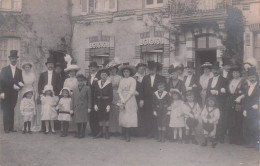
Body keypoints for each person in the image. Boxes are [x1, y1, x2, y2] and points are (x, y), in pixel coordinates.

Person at [140, 61, 166, 138]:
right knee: (148, 116)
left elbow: (165, 89)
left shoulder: (161, 78)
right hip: (147, 100)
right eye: (149, 69)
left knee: (157, 116)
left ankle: (157, 133)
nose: (151, 71)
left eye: (153, 69)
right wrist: (141, 99)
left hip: (158, 100)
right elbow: (141, 89)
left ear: (155, 69)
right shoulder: (145, 78)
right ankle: (150, 133)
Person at [0, 50, 24, 133]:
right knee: (6, 110)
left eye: (15, 58)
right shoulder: (4, 69)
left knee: (12, 110)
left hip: (14, 94)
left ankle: (11, 127)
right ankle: (6, 128)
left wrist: (20, 86)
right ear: (10, 59)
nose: (14, 60)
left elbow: (21, 81)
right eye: (12, 58)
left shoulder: (19, 71)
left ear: (17, 60)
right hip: (6, 93)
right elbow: (2, 81)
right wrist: (1, 92)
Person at [205, 61, 227, 143]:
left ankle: (220, 137)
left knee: (220, 119)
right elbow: (207, 92)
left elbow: (226, 92)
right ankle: (212, 136)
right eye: (214, 70)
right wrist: (206, 104)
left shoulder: (223, 80)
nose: (215, 71)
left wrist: (218, 92)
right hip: (211, 103)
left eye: (216, 70)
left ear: (219, 70)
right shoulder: (210, 80)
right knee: (211, 119)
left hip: (220, 103)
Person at [227, 65, 248, 145]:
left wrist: (240, 97)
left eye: (237, 72)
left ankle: (239, 139)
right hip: (231, 101)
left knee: (238, 119)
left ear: (239, 73)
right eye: (234, 73)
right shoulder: (231, 81)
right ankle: (232, 138)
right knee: (231, 119)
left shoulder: (243, 81)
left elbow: (246, 92)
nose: (235, 74)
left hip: (239, 101)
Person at [14, 62, 38, 131]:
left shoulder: (33, 75)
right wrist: (19, 89)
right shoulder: (21, 74)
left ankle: (31, 126)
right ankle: (23, 125)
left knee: (31, 107)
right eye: (26, 67)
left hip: (31, 92)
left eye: (28, 67)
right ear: (23, 68)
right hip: (23, 92)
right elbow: (18, 82)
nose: (27, 68)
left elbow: (34, 85)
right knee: (24, 107)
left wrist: (36, 93)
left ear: (30, 68)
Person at [118, 64, 138, 142]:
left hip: (130, 100)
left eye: (127, 71)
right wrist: (122, 99)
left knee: (129, 117)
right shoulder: (121, 80)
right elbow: (119, 90)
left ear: (130, 73)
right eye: (124, 71)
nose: (125, 73)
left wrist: (125, 100)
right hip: (122, 98)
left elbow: (132, 91)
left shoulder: (132, 80)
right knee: (123, 116)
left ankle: (128, 135)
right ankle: (123, 134)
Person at [38, 57, 57, 132]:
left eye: (51, 64)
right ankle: (44, 128)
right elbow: (39, 85)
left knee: (52, 111)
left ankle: (53, 128)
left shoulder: (56, 75)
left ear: (53, 65)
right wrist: (40, 94)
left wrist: (57, 95)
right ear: (47, 65)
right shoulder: (43, 74)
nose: (50, 66)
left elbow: (59, 85)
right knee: (44, 111)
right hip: (45, 95)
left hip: (52, 95)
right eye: (49, 64)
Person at [243, 67, 259, 149]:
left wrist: (258, 104)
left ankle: (257, 143)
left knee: (256, 127)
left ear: (256, 77)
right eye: (250, 77)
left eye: (253, 77)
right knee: (249, 126)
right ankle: (251, 142)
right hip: (249, 110)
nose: (252, 79)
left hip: (257, 110)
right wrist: (245, 109)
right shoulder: (248, 87)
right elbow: (246, 99)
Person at [93, 68, 113, 139]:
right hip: (99, 102)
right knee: (100, 117)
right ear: (100, 76)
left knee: (106, 117)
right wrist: (95, 104)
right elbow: (95, 94)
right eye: (102, 75)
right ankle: (101, 132)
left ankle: (106, 132)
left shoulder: (109, 84)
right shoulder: (97, 83)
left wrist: (109, 105)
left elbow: (111, 95)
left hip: (106, 102)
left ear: (107, 76)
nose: (103, 76)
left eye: (105, 75)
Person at [72, 74, 91, 138]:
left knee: (84, 120)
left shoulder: (87, 88)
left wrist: (89, 107)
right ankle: (79, 132)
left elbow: (89, 99)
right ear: (77, 81)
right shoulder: (74, 89)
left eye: (81, 80)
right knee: (78, 120)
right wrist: (71, 108)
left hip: (84, 106)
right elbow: (73, 99)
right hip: (77, 107)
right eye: (79, 81)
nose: (80, 82)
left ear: (84, 81)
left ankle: (83, 133)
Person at [106, 61, 122, 136]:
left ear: (116, 69)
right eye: (110, 69)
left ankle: (117, 130)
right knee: (110, 112)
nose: (112, 71)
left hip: (117, 94)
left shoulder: (119, 78)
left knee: (117, 112)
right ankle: (111, 130)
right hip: (109, 95)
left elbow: (121, 88)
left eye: (113, 69)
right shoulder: (107, 78)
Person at [133, 63, 147, 136]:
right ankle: (136, 132)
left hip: (144, 98)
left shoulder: (146, 77)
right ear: (137, 69)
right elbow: (132, 88)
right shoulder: (134, 77)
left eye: (143, 69)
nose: (141, 70)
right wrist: (136, 92)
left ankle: (143, 132)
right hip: (136, 98)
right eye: (140, 69)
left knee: (143, 114)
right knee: (136, 113)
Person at [87, 61, 101, 137]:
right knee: (91, 115)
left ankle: (98, 132)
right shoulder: (89, 76)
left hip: (97, 98)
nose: (92, 69)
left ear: (97, 68)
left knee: (97, 114)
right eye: (91, 67)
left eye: (94, 67)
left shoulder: (99, 76)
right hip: (90, 98)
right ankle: (93, 131)